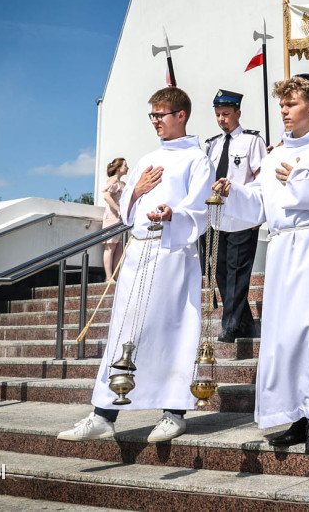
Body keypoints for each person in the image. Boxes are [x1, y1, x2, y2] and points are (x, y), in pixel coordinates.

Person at [213, 76, 309, 454]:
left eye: (290, 104)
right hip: (281, 250)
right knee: (284, 334)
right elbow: (259, 204)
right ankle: (295, 415)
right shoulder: (274, 156)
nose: (283, 111)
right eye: (281, 105)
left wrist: (303, 180)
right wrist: (233, 195)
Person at [59, 86, 212, 443]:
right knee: (124, 333)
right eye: (152, 116)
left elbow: (201, 206)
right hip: (139, 254)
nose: (155, 122)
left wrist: (175, 212)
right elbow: (127, 209)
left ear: (181, 116)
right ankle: (104, 413)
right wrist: (138, 190)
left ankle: (175, 412)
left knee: (172, 330)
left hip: (172, 254)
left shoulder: (196, 159)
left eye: (160, 115)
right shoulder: (146, 158)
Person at [203, 89, 267, 343]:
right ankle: (246, 326)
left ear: (238, 113)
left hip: (242, 217)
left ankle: (229, 326)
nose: (222, 119)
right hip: (217, 219)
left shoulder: (252, 141)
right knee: (220, 272)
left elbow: (262, 178)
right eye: (218, 114)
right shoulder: (212, 145)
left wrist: (258, 213)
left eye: (226, 114)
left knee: (238, 272)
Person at [101, 157, 128, 283]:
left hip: (119, 219)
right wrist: (118, 209)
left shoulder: (122, 183)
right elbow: (106, 196)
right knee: (110, 247)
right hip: (112, 217)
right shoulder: (113, 180)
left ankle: (116, 276)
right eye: (125, 165)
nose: (127, 168)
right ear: (118, 168)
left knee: (118, 249)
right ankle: (109, 276)